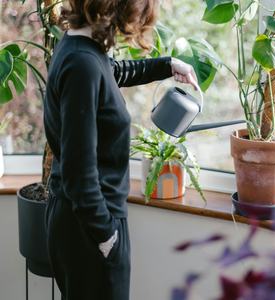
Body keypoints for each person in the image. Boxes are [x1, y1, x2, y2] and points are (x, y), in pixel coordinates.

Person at [43, 0, 198, 299]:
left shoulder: (81, 49)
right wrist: (107, 238)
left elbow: (113, 72)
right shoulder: (82, 65)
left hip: (80, 223)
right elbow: (80, 175)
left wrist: (167, 65)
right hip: (89, 230)